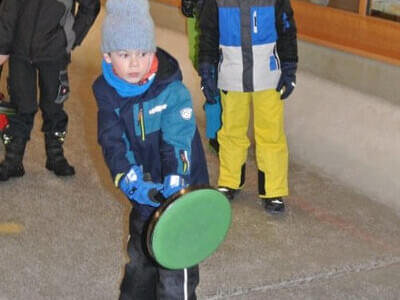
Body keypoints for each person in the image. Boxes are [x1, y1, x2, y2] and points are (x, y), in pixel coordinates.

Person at [92, 0, 209, 298]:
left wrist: (175, 180)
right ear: (108, 56)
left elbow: (178, 140)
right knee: (140, 263)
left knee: (175, 270)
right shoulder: (108, 96)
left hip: (181, 193)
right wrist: (130, 181)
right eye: (124, 54)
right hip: (146, 193)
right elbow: (112, 142)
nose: (134, 63)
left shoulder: (172, 90)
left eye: (143, 53)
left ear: (153, 52)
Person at [197, 0, 298, 214]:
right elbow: (207, 34)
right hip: (231, 76)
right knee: (231, 131)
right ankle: (230, 180)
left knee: (270, 133)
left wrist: (289, 67)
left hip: (268, 77)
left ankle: (273, 190)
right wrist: (206, 70)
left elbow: (287, 29)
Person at [0, 0, 100, 181]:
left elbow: (90, 6)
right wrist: (3, 45)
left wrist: (72, 37)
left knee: (54, 105)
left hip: (54, 52)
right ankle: (13, 159)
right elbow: (8, 8)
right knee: (20, 104)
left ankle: (55, 155)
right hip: (19, 50)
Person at [181, 0, 221, 154]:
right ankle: (215, 130)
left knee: (217, 71)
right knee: (201, 59)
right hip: (199, 12)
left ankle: (217, 131)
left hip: (225, 12)